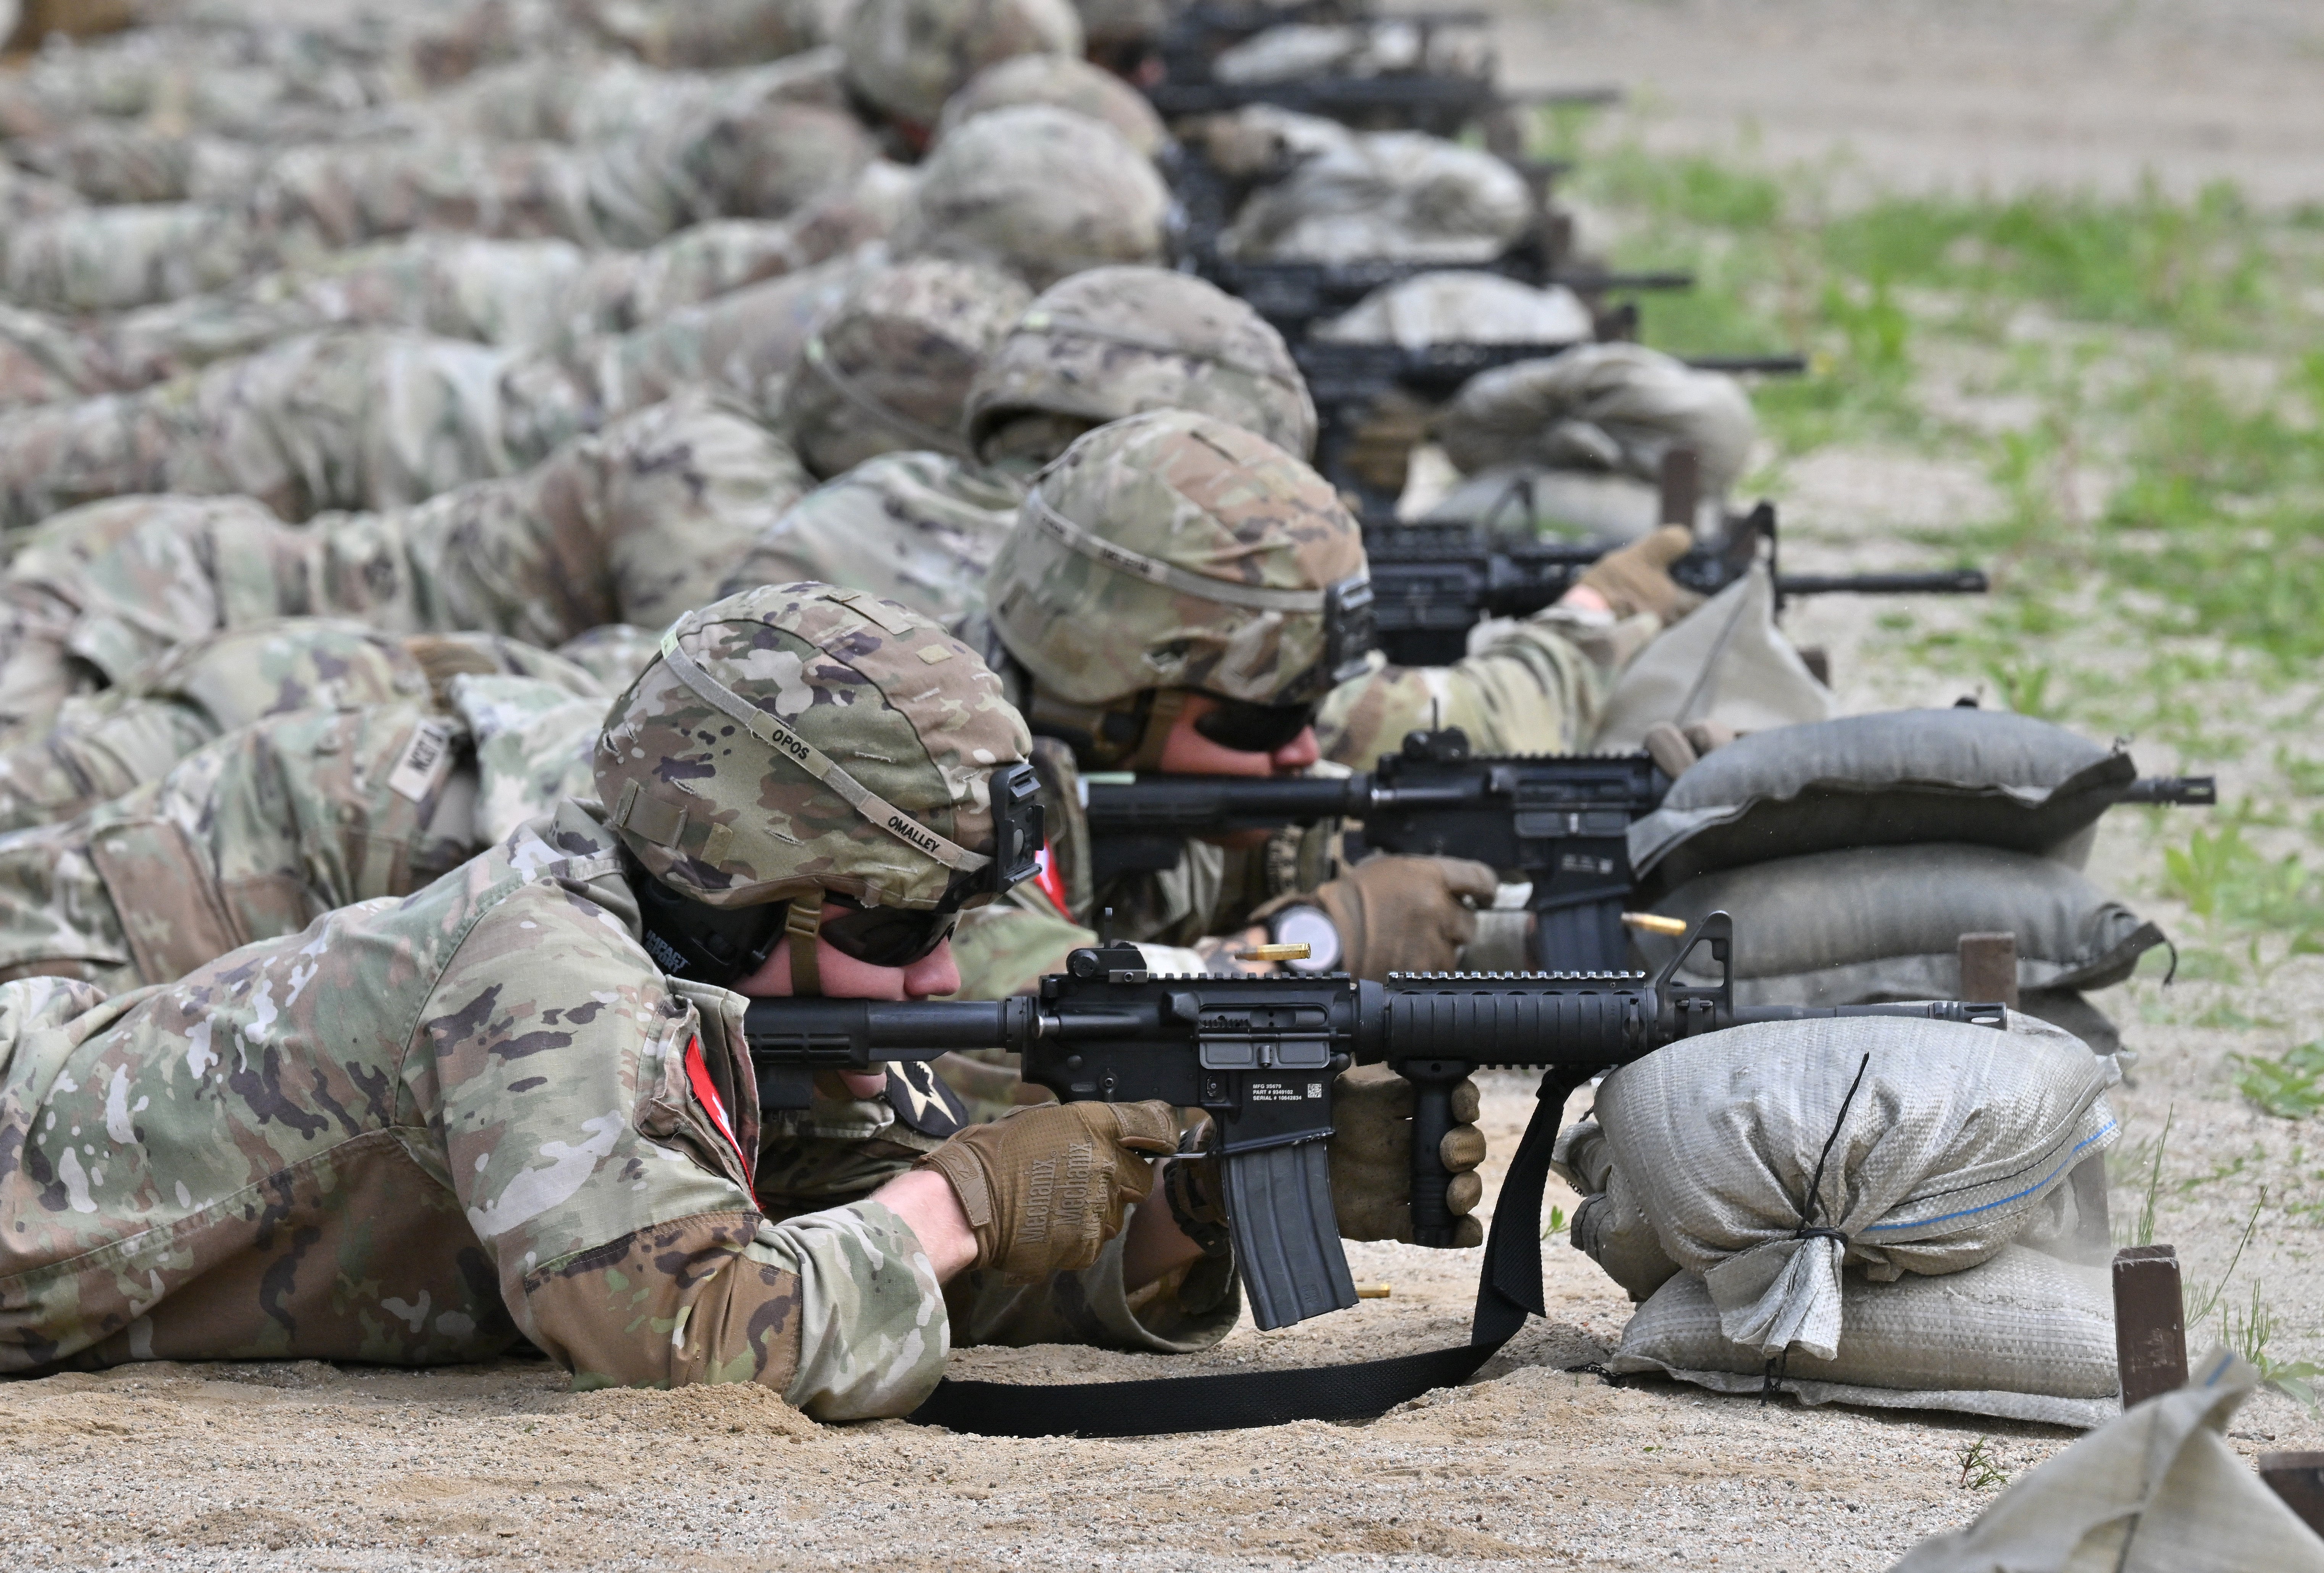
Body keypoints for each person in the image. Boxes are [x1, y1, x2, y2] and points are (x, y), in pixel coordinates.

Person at [0, 582, 1483, 1412]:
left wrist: (1189, 1204)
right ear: (764, 876)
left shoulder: (740, 986)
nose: (939, 976)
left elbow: (892, 1250)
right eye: (906, 923)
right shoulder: (553, 967)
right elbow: (696, 1331)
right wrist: (964, 1194)